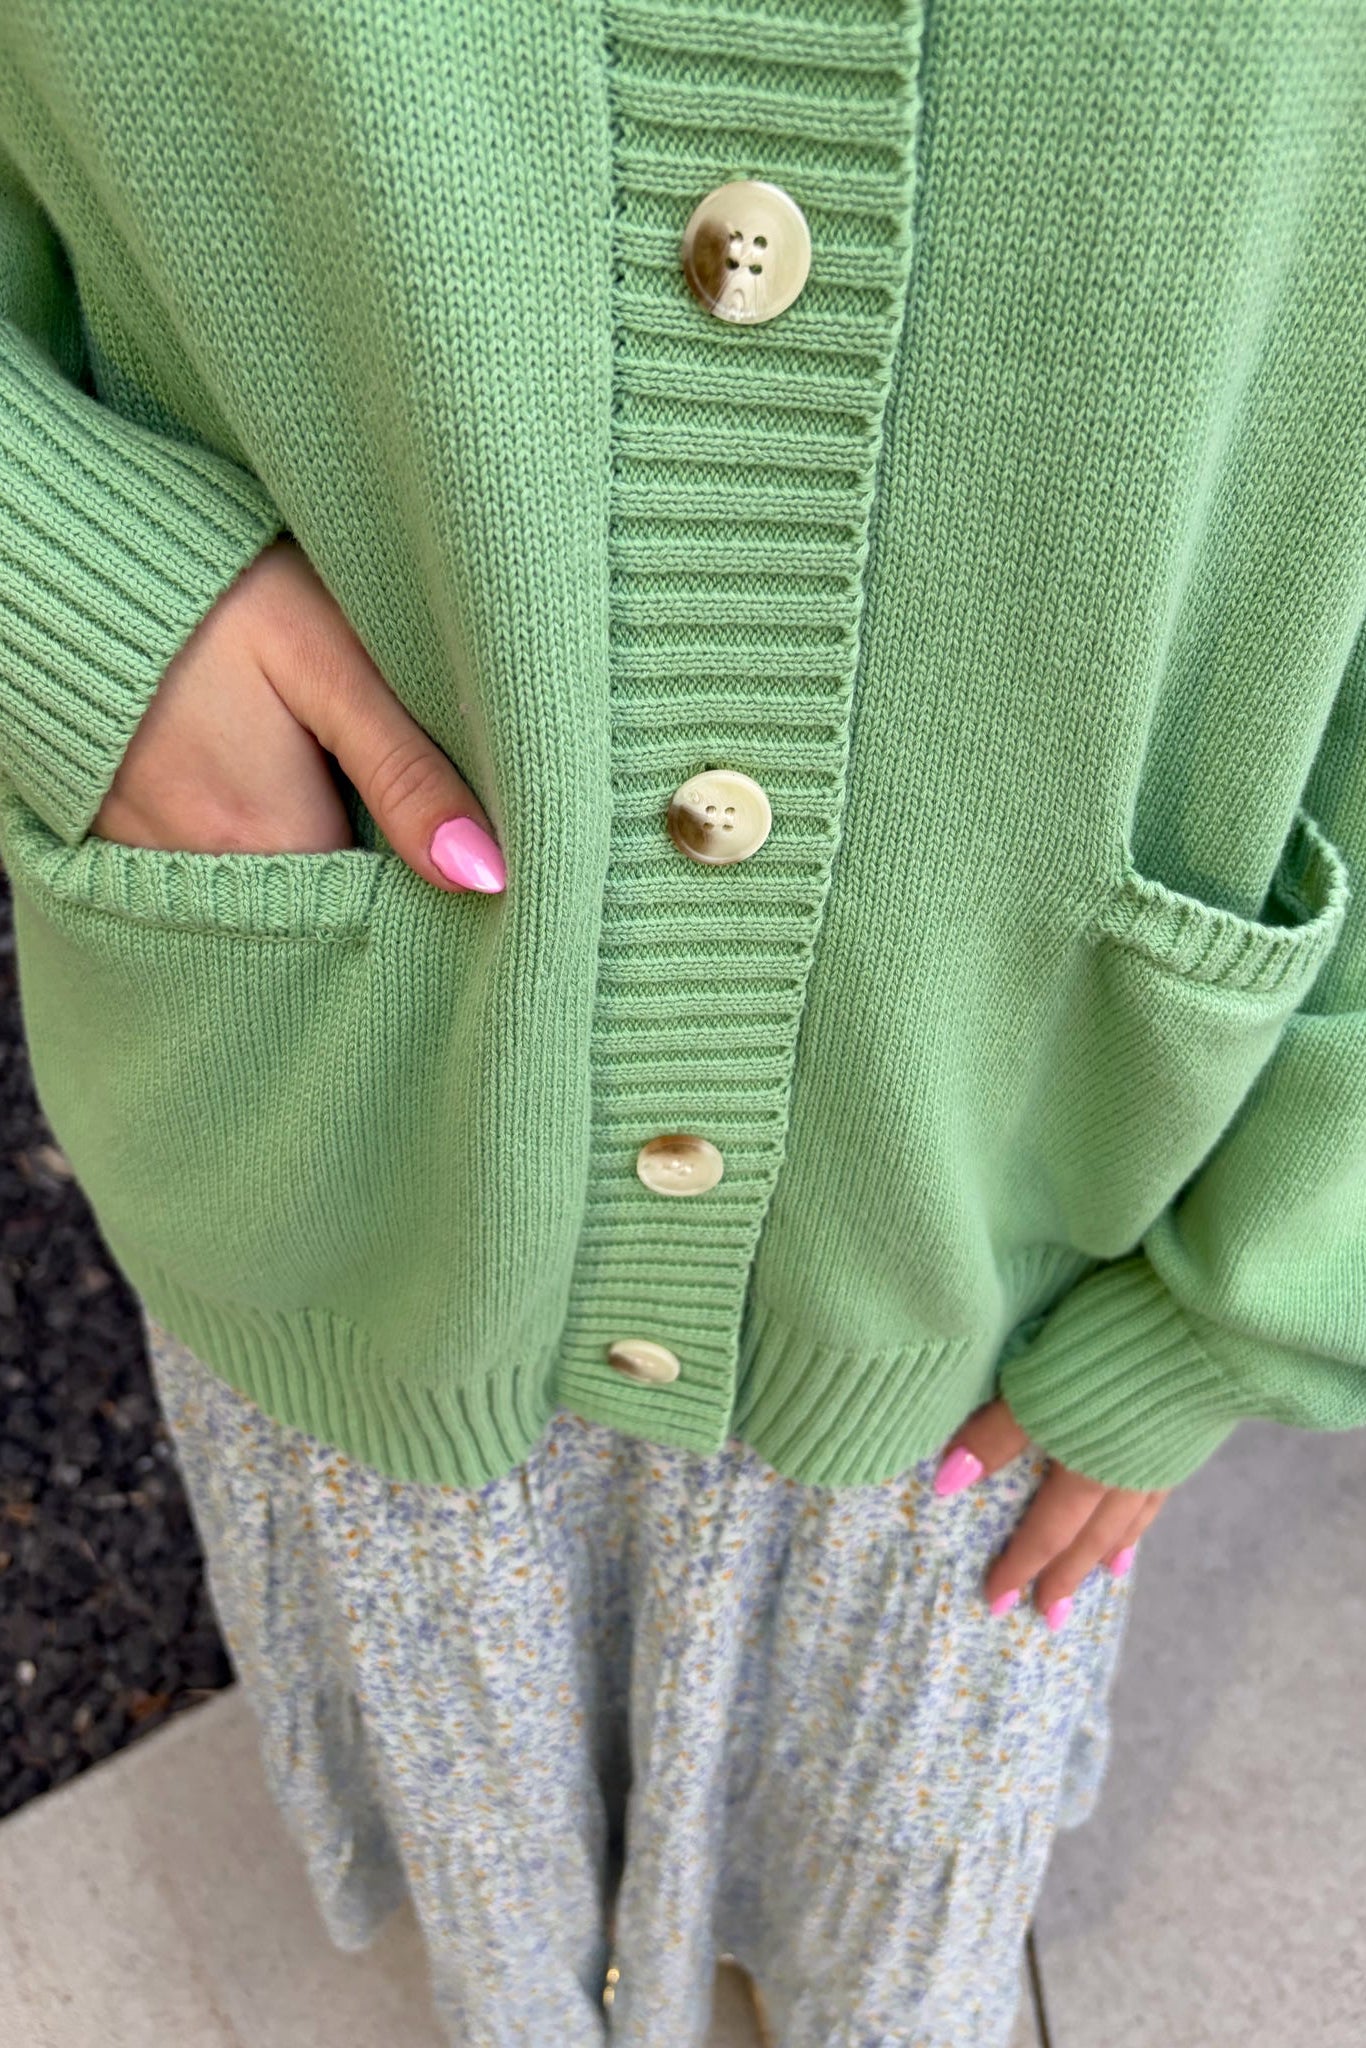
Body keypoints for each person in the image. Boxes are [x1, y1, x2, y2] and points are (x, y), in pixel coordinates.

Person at [1, 5, 1363, 2044]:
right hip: (342, 1113)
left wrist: (1266, 1279)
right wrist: (66, 586)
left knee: (890, 1886)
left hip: (1000, 1201)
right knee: (488, 1851)